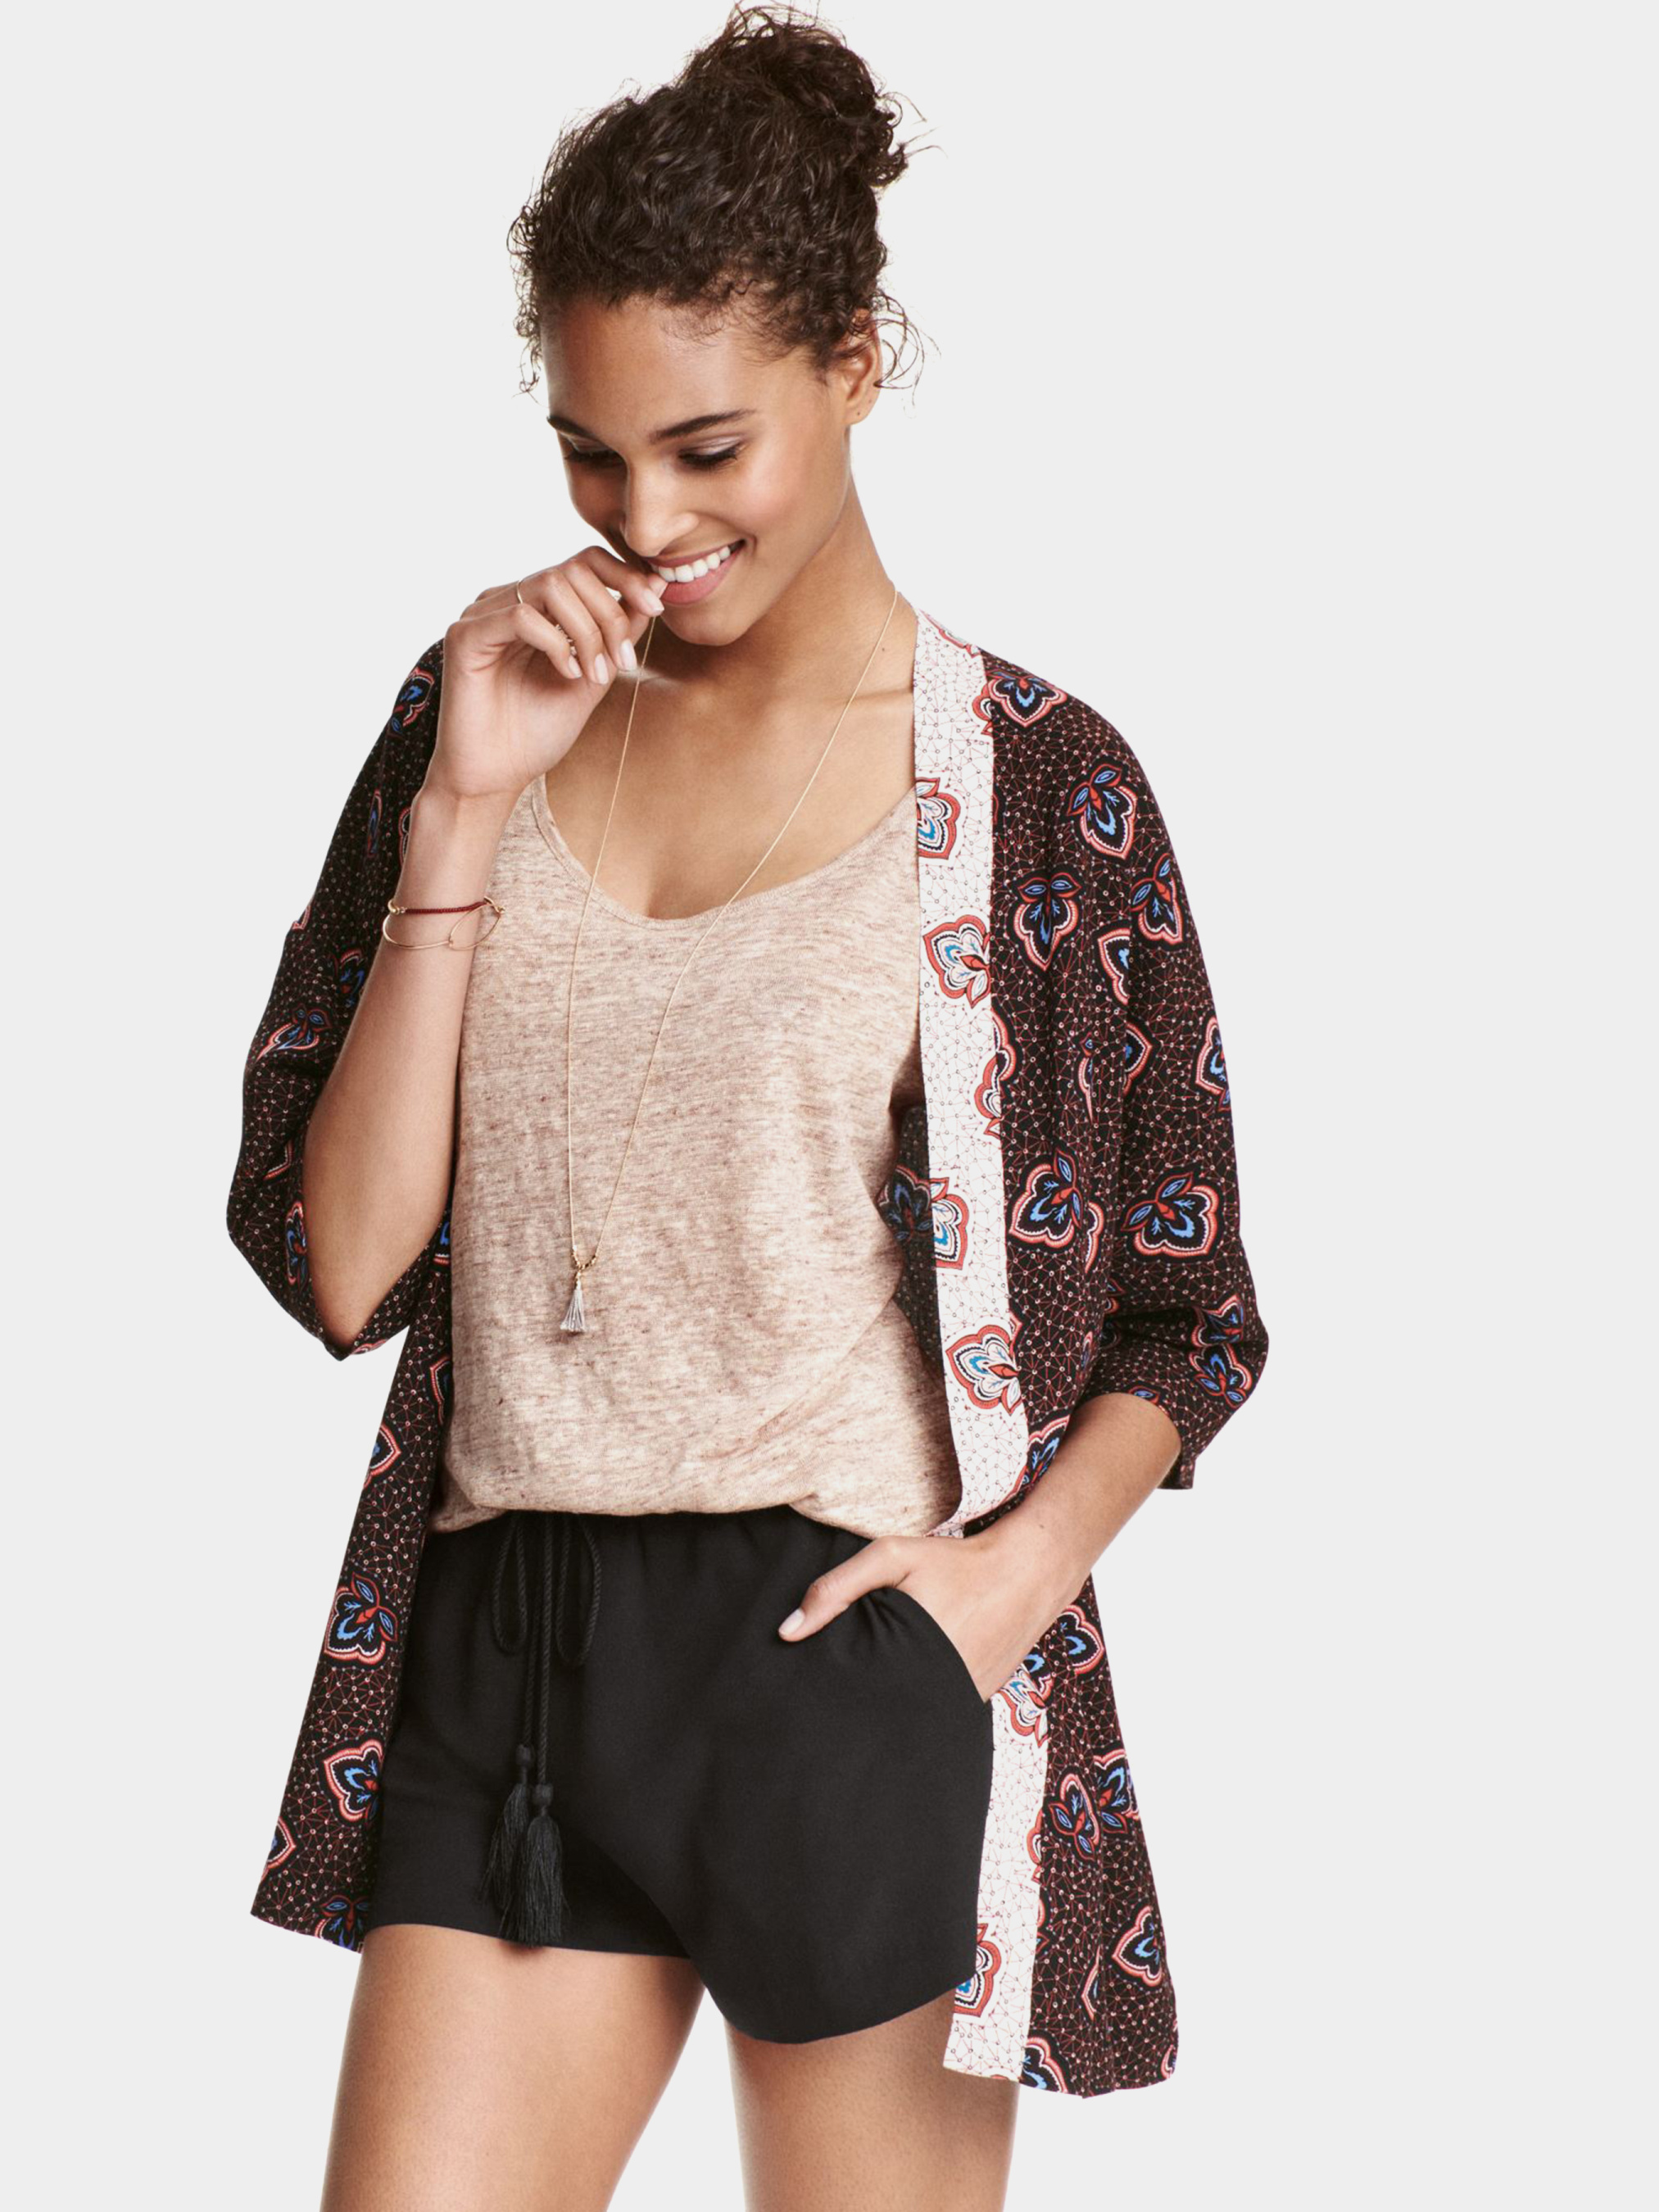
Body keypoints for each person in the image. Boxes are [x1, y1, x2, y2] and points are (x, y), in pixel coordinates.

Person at [228, 8, 1270, 2207]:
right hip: (507, 1659)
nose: (647, 522)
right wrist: (461, 814)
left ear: (853, 365)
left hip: (842, 1651)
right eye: (591, 456)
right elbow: (343, 1263)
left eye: (706, 448)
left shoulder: (1036, 787)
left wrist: (997, 1593)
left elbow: (1191, 1313)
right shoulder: (477, 711)